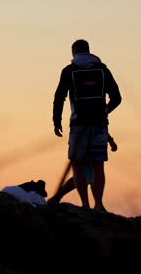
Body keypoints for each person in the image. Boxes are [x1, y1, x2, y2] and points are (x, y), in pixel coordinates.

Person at [52, 39, 122, 211]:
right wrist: (104, 110)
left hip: (78, 124)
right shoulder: (103, 70)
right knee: (98, 165)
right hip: (100, 124)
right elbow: (117, 97)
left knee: (78, 164)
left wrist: (57, 120)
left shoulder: (69, 70)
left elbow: (59, 97)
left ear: (74, 52)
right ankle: (99, 204)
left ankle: (85, 205)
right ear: (89, 51)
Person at [48, 135, 117, 206]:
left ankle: (96, 204)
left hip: (92, 134)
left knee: (88, 173)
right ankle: (91, 204)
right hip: (83, 133)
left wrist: (110, 139)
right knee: (83, 171)